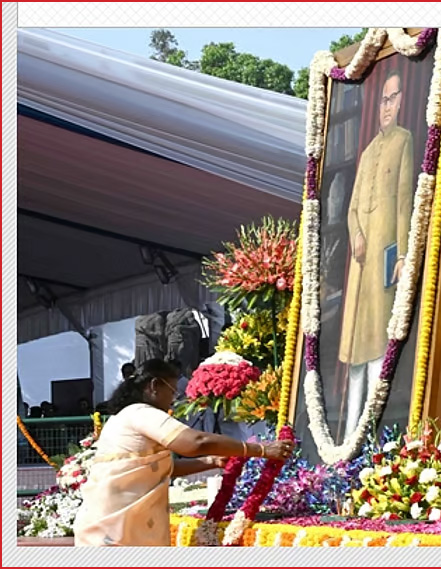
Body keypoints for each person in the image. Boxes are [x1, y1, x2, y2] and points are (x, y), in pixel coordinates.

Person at [73, 359, 295, 546]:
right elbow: (196, 442)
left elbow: (162, 469)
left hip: (112, 529)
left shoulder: (121, 417)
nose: (172, 400)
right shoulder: (141, 413)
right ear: (154, 386)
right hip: (113, 533)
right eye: (172, 391)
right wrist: (260, 450)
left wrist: (211, 461)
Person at [337, 69, 415, 439]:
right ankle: (350, 429)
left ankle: (369, 427)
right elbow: (351, 207)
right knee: (354, 346)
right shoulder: (368, 151)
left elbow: (404, 203)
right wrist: (356, 234)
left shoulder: (404, 140)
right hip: (360, 261)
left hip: (385, 255)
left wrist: (401, 255)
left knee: (376, 343)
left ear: (401, 102)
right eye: (382, 99)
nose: (386, 106)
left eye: (392, 98)